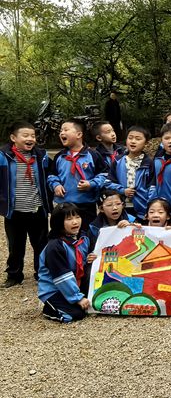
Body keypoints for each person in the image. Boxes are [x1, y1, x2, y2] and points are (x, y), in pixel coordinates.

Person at [1, 121, 52, 286]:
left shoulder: (41, 156)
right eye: (25, 135)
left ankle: (42, 273)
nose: (30, 139)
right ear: (13, 138)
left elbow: (50, 176)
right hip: (14, 210)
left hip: (37, 209)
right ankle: (14, 275)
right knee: (15, 245)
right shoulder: (4, 156)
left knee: (41, 244)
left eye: (33, 136)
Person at [48, 119, 108, 231]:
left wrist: (91, 184)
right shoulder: (60, 156)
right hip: (64, 205)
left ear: (79, 134)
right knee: (62, 234)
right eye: (61, 131)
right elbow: (51, 175)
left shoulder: (93, 155)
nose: (62, 133)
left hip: (86, 206)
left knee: (87, 234)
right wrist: (56, 185)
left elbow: (104, 174)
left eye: (66, 130)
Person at [37, 203, 93, 323]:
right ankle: (49, 308)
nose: (75, 222)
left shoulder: (83, 238)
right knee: (76, 314)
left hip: (75, 283)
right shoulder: (55, 246)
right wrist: (78, 298)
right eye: (69, 219)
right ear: (58, 222)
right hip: (55, 289)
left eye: (77, 217)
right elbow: (62, 276)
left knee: (93, 305)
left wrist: (89, 258)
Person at [105, 126, 152, 222]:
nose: (133, 141)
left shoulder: (149, 163)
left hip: (142, 208)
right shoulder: (118, 161)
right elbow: (108, 183)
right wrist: (123, 190)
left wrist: (150, 207)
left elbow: (152, 188)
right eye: (130, 138)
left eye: (138, 139)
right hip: (121, 208)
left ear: (146, 143)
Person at [147, 123, 171, 224]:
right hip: (160, 210)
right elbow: (153, 182)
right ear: (161, 141)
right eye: (167, 138)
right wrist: (152, 201)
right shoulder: (157, 160)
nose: (170, 141)